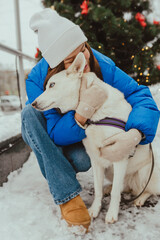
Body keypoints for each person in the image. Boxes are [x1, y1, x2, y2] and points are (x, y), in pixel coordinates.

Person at [21, 9, 159, 230]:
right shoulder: (38, 80)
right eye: (71, 60)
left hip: (80, 140)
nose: (82, 60)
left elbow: (140, 96)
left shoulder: (100, 63)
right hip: (47, 137)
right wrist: (83, 112)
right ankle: (66, 196)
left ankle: (60, 169)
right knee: (30, 113)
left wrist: (136, 134)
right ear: (56, 65)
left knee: (85, 160)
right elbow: (54, 132)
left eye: (83, 49)